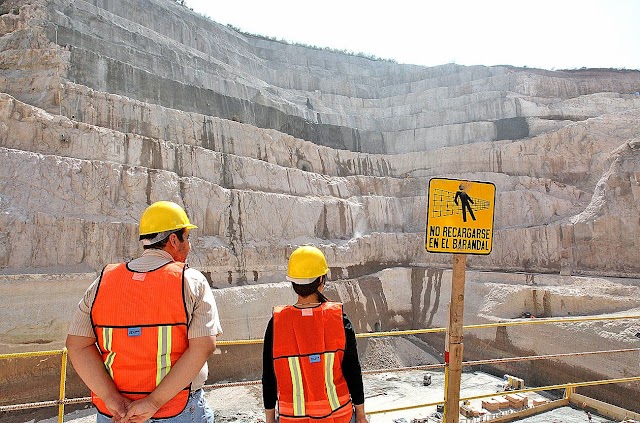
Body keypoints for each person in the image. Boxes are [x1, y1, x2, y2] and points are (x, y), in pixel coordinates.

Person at [66, 200, 223, 423]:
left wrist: (113, 400)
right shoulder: (190, 281)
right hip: (176, 411)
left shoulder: (103, 282)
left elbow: (77, 345)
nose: (189, 246)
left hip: (116, 414)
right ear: (173, 240)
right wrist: (152, 403)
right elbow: (204, 346)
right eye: (187, 239)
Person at [262, 245, 368, 423]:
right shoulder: (338, 318)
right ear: (321, 279)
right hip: (338, 415)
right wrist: (361, 415)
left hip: (292, 419)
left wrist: (270, 420)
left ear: (293, 282)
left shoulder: (277, 323)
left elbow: (269, 376)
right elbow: (353, 371)